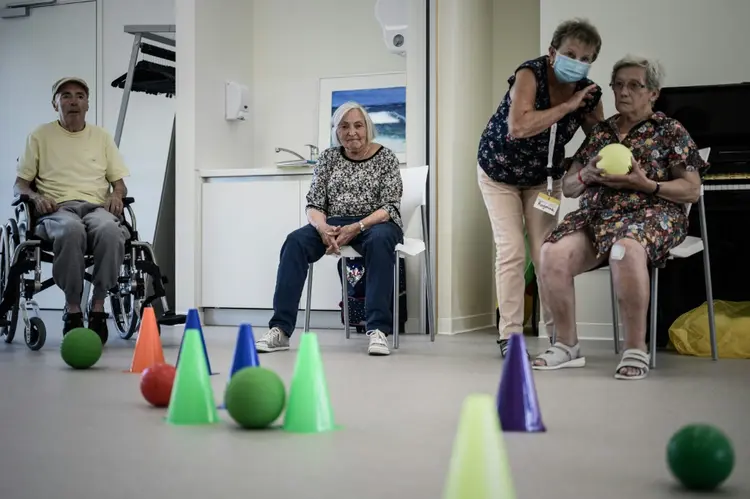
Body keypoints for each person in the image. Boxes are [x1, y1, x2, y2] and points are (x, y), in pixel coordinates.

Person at [533, 55, 709, 380]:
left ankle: (634, 349)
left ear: (653, 92)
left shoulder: (669, 131)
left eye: (634, 85)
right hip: (598, 218)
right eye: (618, 85)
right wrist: (585, 173)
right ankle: (567, 346)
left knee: (625, 250)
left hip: (651, 214)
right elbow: (570, 187)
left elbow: (691, 189)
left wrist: (647, 185)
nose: (624, 92)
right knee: (550, 253)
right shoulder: (601, 132)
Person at [477, 18, 605, 357]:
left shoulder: (589, 95)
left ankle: (559, 339)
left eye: (585, 57)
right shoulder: (529, 75)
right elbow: (519, 126)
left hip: (543, 180)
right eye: (570, 53)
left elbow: (599, 141)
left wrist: (579, 165)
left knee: (546, 254)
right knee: (512, 251)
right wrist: (567, 107)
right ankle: (511, 337)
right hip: (498, 173)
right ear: (552, 53)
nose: (577, 61)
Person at [255, 101, 404, 356]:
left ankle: (378, 329)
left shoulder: (386, 157)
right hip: (333, 223)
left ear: (367, 127)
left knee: (380, 241)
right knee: (295, 242)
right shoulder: (329, 158)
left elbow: (390, 206)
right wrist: (323, 227)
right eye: (344, 126)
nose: (352, 132)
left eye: (358, 125)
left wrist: (358, 226)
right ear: (336, 131)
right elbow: (313, 203)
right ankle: (280, 329)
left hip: (375, 223)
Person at [14, 76, 131, 343]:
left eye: (79, 95)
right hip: (57, 209)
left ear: (87, 104)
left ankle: (98, 304)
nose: (73, 101)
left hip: (96, 207)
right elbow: (19, 185)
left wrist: (116, 195)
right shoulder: (40, 136)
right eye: (65, 95)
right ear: (55, 104)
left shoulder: (101, 137)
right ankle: (73, 307)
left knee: (111, 231)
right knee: (70, 230)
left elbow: (119, 184)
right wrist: (34, 196)